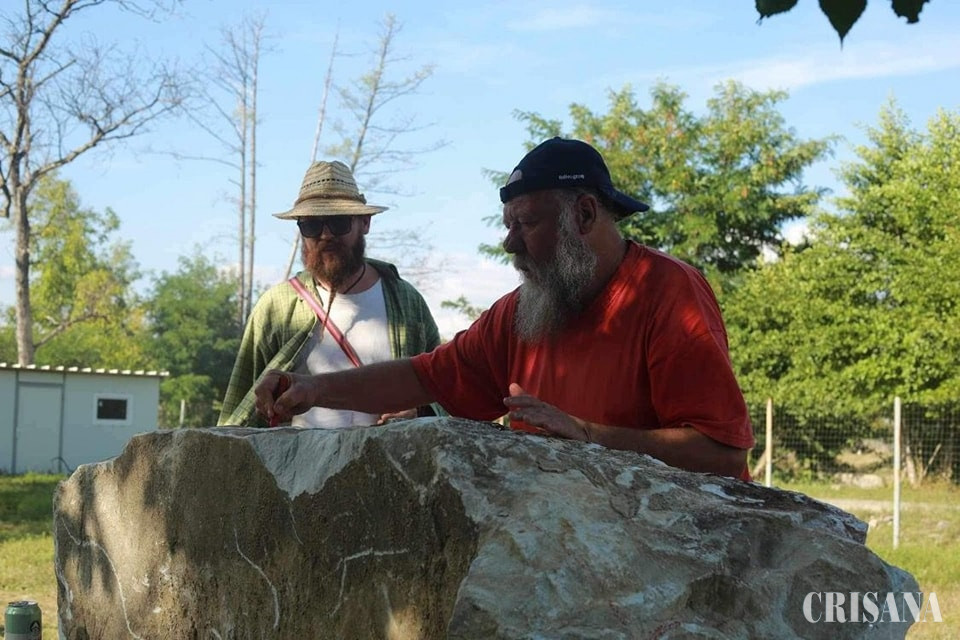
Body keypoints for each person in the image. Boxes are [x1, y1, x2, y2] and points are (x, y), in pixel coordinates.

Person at [254, 139, 755, 479]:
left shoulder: (667, 293)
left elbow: (723, 454)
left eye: (526, 223)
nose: (509, 243)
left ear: (583, 214)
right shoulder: (521, 313)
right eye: (507, 224)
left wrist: (588, 436)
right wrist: (313, 389)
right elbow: (424, 377)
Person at [219, 160, 441, 428]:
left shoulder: (406, 302)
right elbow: (242, 403)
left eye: (338, 222)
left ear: (365, 223)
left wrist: (420, 410)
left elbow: (444, 386)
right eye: (311, 225)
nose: (325, 235)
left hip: (387, 454)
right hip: (298, 455)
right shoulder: (276, 307)